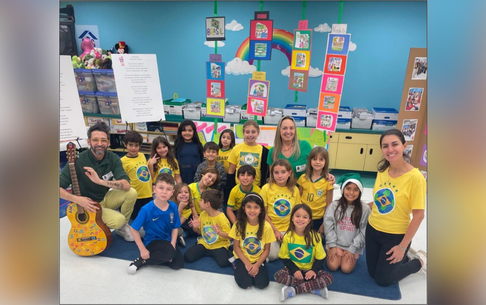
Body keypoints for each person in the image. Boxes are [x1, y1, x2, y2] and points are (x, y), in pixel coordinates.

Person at [365, 129, 427, 287]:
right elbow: (380, 201)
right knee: (371, 274)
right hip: (372, 230)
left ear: (404, 146)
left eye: (395, 144)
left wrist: (402, 246)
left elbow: (419, 216)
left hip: (395, 236)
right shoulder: (382, 171)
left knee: (382, 280)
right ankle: (402, 258)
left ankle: (418, 261)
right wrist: (362, 206)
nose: (390, 149)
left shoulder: (416, 178)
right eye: (385, 146)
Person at [60, 121, 137, 242]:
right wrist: (77, 199)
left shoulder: (112, 158)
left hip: (104, 199)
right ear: (89, 142)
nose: (99, 144)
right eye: (95, 140)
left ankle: (122, 228)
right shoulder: (77, 161)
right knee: (118, 220)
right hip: (87, 206)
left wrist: (99, 181)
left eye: (103, 140)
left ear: (108, 143)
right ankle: (109, 222)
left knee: (131, 192)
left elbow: (126, 185)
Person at [274, 204, 334, 301]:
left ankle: (294, 290)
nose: (301, 219)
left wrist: (313, 270)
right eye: (297, 216)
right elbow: (284, 258)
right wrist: (295, 270)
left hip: (309, 271)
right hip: (293, 271)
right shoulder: (288, 236)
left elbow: (320, 258)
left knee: (328, 278)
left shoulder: (315, 237)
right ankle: (312, 288)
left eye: (305, 217)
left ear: (309, 220)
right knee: (278, 276)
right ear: (292, 218)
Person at [128, 173, 184, 274]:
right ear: (154, 188)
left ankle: (160, 256)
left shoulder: (173, 207)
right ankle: (142, 260)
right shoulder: (146, 209)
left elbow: (175, 227)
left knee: (177, 264)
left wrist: (172, 244)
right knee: (169, 254)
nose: (164, 192)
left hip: (167, 241)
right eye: (161, 188)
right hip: (153, 241)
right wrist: (142, 249)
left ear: (172, 192)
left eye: (168, 189)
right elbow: (133, 229)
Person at [324, 173, 371, 273]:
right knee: (333, 266)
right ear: (343, 189)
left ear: (360, 191)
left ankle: (348, 255)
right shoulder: (334, 205)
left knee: (346, 269)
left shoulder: (365, 209)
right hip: (336, 244)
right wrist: (332, 246)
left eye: (355, 189)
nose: (351, 192)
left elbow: (364, 231)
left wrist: (352, 249)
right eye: (348, 188)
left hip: (351, 246)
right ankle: (335, 252)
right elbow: (328, 226)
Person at [228, 193, 276, 290]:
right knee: (245, 284)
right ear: (243, 208)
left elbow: (267, 250)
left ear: (261, 209)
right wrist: (247, 263)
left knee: (262, 284)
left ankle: (261, 265)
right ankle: (236, 264)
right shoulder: (238, 224)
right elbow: (236, 247)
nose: (252, 210)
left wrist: (257, 265)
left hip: (258, 258)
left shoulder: (266, 226)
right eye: (249, 207)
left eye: (256, 207)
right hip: (243, 257)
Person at [267, 116, 335, 183]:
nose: (288, 131)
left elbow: (317, 163)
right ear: (279, 130)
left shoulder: (305, 146)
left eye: (291, 128)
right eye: (284, 128)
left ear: (295, 130)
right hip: (283, 191)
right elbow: (272, 177)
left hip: (304, 190)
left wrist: (326, 174)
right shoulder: (273, 152)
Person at [260, 159, 301, 261]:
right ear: (272, 174)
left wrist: (290, 230)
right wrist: (275, 231)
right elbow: (263, 214)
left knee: (297, 254)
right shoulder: (266, 188)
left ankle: (282, 246)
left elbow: (297, 213)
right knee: (272, 256)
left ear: (289, 173)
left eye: (283, 172)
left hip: (288, 229)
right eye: (276, 172)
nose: (280, 175)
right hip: (270, 228)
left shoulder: (294, 189)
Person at [184, 189, 231, 267]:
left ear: (207, 204)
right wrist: (195, 228)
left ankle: (227, 251)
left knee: (224, 263)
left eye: (201, 200)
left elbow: (230, 236)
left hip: (219, 245)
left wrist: (219, 232)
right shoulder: (203, 214)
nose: (199, 202)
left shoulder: (222, 218)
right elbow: (199, 232)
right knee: (188, 257)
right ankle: (206, 252)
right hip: (205, 243)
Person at [297, 147, 334, 235]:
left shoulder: (328, 181)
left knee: (314, 242)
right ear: (310, 161)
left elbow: (329, 205)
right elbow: (298, 199)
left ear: (326, 162)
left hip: (318, 218)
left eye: (321, 159)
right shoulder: (303, 178)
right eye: (314, 159)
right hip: (302, 216)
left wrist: (324, 223)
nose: (317, 162)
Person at [226, 120, 269, 194]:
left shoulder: (264, 151)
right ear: (243, 133)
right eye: (247, 132)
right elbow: (231, 171)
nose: (250, 135)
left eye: (253, 132)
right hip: (239, 189)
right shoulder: (236, 149)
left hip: (256, 189)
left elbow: (265, 173)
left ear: (258, 133)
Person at [121, 131, 153, 221]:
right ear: (125, 144)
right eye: (130, 145)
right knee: (136, 219)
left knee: (148, 217)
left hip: (148, 193)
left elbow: (145, 172)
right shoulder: (123, 161)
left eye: (136, 145)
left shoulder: (142, 155)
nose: (133, 148)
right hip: (136, 196)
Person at [174, 120, 204, 185]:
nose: (187, 133)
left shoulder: (198, 145)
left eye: (190, 130)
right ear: (180, 132)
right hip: (181, 174)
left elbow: (201, 160)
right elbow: (175, 160)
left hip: (196, 174)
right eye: (184, 130)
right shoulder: (177, 145)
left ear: (194, 132)